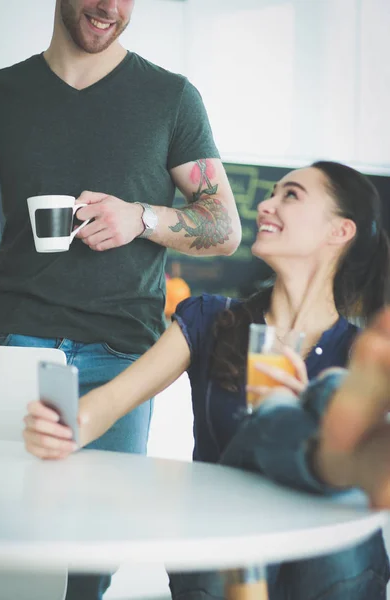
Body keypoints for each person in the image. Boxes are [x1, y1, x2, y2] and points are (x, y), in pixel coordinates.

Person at [0, 1, 241, 598]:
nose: (110, 8)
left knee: (90, 564)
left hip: (122, 359)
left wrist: (141, 218)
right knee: (16, 560)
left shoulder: (172, 96)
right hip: (19, 352)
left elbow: (225, 227)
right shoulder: (0, 92)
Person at [24, 161, 390, 599]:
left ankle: (306, 426)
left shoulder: (367, 352)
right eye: (272, 193)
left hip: (330, 573)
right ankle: (333, 451)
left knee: (326, 397)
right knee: (319, 402)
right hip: (224, 561)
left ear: (340, 231)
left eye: (291, 195)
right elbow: (106, 404)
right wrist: (62, 428)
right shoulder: (210, 319)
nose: (266, 205)